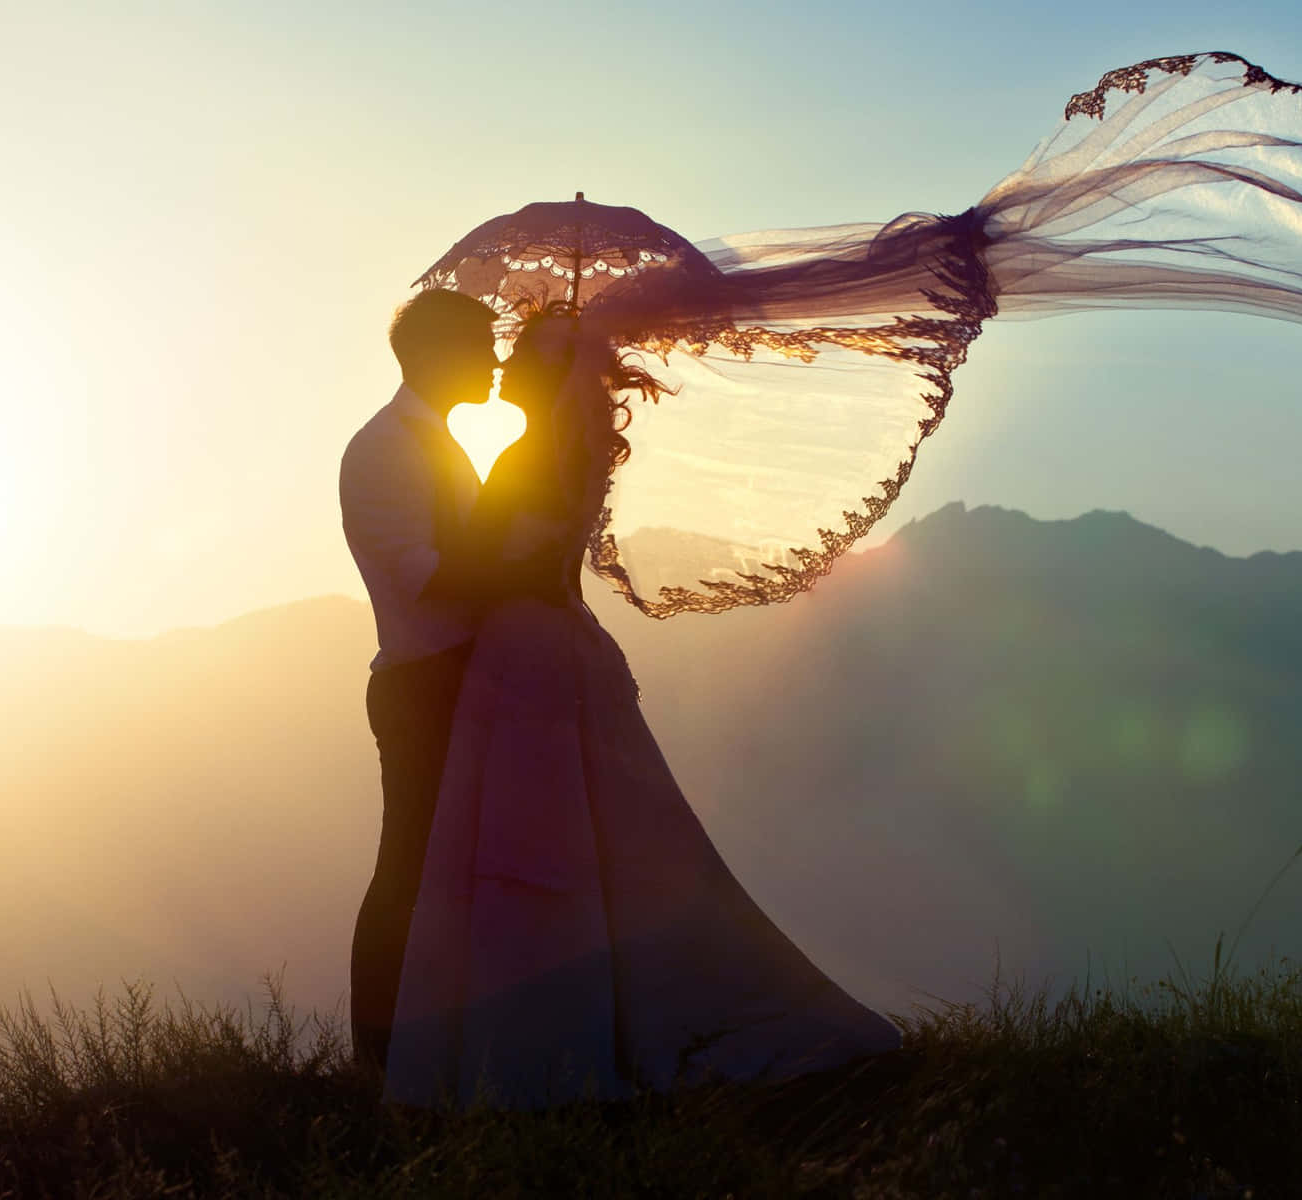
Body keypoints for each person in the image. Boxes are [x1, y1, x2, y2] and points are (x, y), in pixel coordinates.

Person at [381, 305, 903, 1107]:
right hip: (555, 650)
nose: (506, 363)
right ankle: (580, 1023)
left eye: (521, 354)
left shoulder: (530, 455)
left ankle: (539, 1049)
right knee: (591, 849)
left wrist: (453, 564)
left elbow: (495, 570)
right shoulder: (572, 451)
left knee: (533, 859)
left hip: (526, 665)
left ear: (549, 373)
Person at [338, 287, 502, 1074]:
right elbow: (419, 575)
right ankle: (377, 1051)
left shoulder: (433, 438)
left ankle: (434, 1042)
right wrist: (523, 566)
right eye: (484, 345)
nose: (497, 360)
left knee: (443, 869)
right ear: (438, 353)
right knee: (406, 866)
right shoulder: (383, 447)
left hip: (454, 680)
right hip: (419, 684)